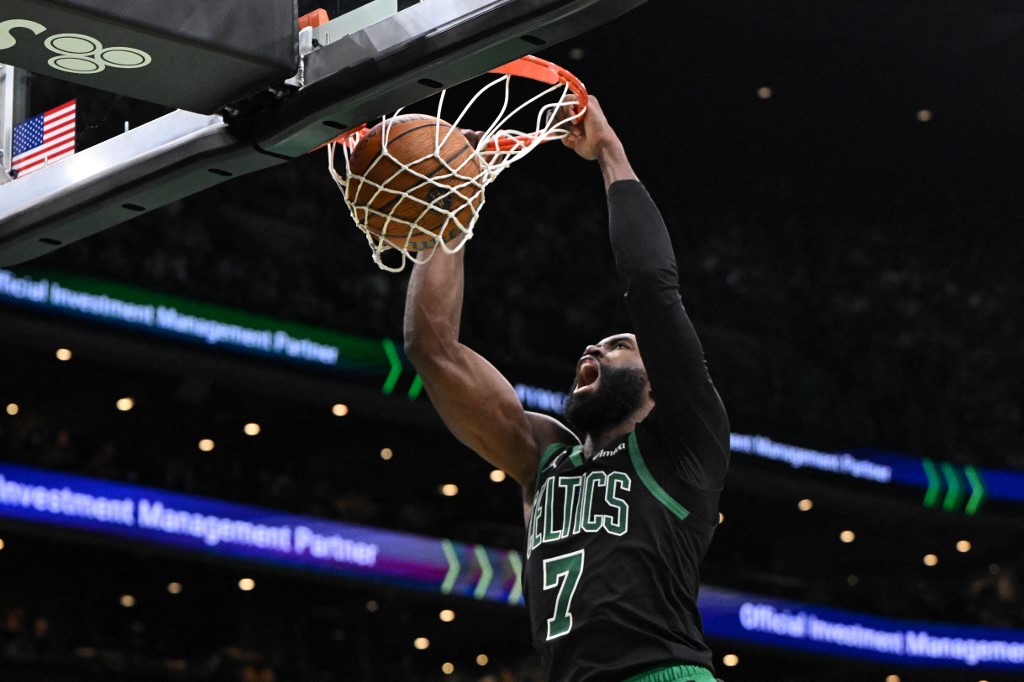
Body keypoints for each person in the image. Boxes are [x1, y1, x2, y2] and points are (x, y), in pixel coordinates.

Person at [403, 96, 730, 682]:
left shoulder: (684, 443)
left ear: (657, 378)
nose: (593, 348)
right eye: (594, 345)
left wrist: (609, 152)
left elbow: (652, 285)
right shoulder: (544, 456)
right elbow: (434, 349)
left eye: (618, 344)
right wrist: (450, 211)